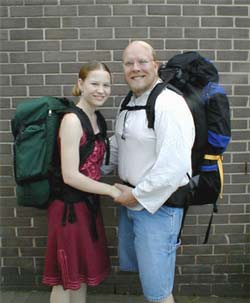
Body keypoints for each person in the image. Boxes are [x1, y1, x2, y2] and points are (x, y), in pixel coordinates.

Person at [102, 41, 195, 303]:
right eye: (129, 63)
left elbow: (174, 166)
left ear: (155, 65)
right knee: (149, 281)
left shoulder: (169, 103)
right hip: (132, 203)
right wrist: (85, 169)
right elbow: (119, 145)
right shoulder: (129, 102)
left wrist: (137, 196)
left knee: (158, 290)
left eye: (142, 61)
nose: (135, 68)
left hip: (158, 208)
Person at [42, 61, 121, 303]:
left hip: (86, 207)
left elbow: (94, 166)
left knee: (81, 275)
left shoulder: (97, 118)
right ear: (80, 84)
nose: (101, 90)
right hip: (68, 211)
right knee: (65, 278)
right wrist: (112, 191)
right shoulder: (72, 121)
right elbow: (70, 175)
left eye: (106, 85)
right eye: (94, 83)